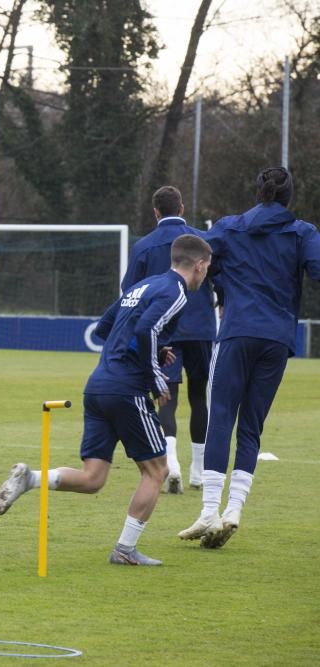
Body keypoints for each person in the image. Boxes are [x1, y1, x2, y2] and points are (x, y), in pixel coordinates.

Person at [0, 234, 213, 566]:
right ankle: (125, 550)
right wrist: (154, 372)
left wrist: (151, 349)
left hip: (98, 385)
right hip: (127, 390)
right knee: (157, 470)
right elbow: (145, 330)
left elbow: (104, 328)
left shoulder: (145, 286)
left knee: (93, 477)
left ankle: (31, 479)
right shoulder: (176, 292)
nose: (206, 274)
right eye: (207, 268)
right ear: (199, 265)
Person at [179, 167, 320, 549]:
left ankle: (209, 510)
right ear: (290, 197)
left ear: (257, 193)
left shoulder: (228, 227)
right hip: (277, 337)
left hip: (238, 330)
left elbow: (195, 254)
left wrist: (218, 281)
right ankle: (234, 510)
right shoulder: (303, 232)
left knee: (221, 414)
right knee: (252, 424)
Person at [121, 186, 216, 493]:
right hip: (201, 327)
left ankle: (171, 464)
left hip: (165, 331)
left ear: (156, 212)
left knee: (167, 396)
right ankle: (198, 472)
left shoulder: (145, 246)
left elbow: (129, 291)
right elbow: (219, 276)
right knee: (200, 396)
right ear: (183, 208)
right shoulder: (202, 241)